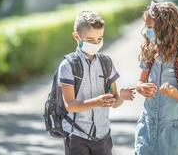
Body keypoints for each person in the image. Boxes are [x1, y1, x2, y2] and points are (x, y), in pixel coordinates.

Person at [58, 11, 135, 155]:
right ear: (77, 37)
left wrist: (121, 97)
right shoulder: (68, 66)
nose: (96, 43)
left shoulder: (106, 63)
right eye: (90, 40)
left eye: (100, 38)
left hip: (103, 136)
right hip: (77, 136)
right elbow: (70, 106)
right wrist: (96, 102)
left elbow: (114, 101)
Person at [135, 2, 178, 155]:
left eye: (150, 27)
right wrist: (141, 87)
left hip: (173, 134)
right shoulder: (149, 52)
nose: (147, 32)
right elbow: (140, 81)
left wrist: (176, 95)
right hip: (147, 128)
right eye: (146, 27)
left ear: (166, 29)